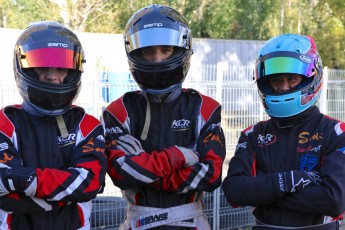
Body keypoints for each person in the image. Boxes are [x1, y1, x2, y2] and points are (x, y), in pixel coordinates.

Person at [103, 4, 225, 230]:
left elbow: (211, 175)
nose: (157, 59)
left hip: (191, 222)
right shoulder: (118, 111)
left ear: (181, 50)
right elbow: (121, 174)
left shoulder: (205, 109)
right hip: (138, 222)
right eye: (149, 51)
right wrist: (178, 157)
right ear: (135, 53)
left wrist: (143, 164)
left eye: (165, 50)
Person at [222, 33, 345, 229]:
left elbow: (334, 200)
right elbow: (234, 191)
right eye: (276, 80)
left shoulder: (336, 132)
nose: (283, 87)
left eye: (292, 78)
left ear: (311, 77)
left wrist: (262, 190)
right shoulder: (253, 135)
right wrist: (289, 181)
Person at [0, 21, 107, 229]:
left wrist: (25, 181)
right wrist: (64, 194)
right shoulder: (4, 122)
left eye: (61, 68)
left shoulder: (87, 124)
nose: (52, 76)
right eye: (42, 66)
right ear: (25, 68)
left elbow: (89, 183)